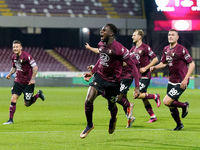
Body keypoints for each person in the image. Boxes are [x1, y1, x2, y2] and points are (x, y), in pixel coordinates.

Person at [80, 23, 140, 139]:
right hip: (100, 77)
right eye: (101, 30)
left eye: (104, 30)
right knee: (88, 100)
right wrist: (92, 73)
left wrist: (137, 87)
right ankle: (89, 125)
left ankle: (113, 119)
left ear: (111, 33)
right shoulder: (101, 44)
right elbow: (101, 59)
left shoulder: (120, 49)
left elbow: (133, 67)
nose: (101, 32)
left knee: (112, 106)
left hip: (113, 82)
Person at [150, 29, 195, 130]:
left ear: (177, 37)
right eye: (169, 35)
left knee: (166, 101)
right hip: (171, 81)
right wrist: (154, 67)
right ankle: (179, 124)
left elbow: (192, 64)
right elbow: (164, 63)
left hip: (181, 81)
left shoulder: (181, 49)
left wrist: (185, 79)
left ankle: (184, 105)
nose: (170, 36)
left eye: (173, 35)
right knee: (171, 106)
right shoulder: (166, 49)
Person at [85, 43, 138, 128]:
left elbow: (121, 64)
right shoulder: (112, 52)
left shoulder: (124, 54)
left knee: (118, 97)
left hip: (126, 78)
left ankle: (128, 105)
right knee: (110, 95)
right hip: (117, 78)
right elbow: (103, 56)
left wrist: (137, 86)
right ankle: (129, 117)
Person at [3, 40, 45, 125]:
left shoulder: (26, 56)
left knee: (27, 103)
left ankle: (38, 95)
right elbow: (14, 67)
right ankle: (10, 120)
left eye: (16, 47)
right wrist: (10, 74)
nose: (15, 48)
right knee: (13, 98)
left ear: (20, 48)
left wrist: (33, 79)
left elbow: (35, 67)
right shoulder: (13, 57)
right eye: (14, 47)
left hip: (28, 83)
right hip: (18, 81)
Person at [130, 29, 161, 123]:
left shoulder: (145, 48)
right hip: (138, 76)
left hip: (145, 75)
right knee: (143, 97)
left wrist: (146, 67)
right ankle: (153, 116)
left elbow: (155, 59)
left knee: (138, 95)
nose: (132, 36)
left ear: (139, 37)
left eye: (134, 35)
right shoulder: (133, 49)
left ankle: (155, 96)